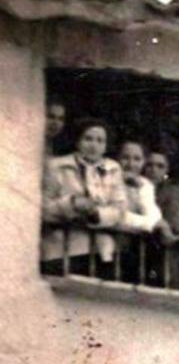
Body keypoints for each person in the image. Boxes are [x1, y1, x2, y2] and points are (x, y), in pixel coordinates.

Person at [41, 118, 129, 280]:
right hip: (62, 249)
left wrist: (97, 214)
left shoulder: (113, 169)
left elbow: (120, 210)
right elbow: (42, 208)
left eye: (100, 141)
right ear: (77, 141)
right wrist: (71, 204)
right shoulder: (56, 166)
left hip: (101, 250)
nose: (93, 145)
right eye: (88, 138)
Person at [115, 141, 174, 282]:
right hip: (109, 248)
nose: (130, 164)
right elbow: (116, 215)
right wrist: (154, 223)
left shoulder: (144, 184)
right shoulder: (109, 179)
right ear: (117, 159)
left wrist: (155, 221)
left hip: (132, 252)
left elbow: (152, 212)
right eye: (125, 157)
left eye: (137, 159)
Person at [143, 148, 179, 290]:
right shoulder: (138, 187)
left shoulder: (173, 191)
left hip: (165, 253)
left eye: (160, 166)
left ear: (166, 170)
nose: (153, 170)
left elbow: (178, 225)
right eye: (149, 165)